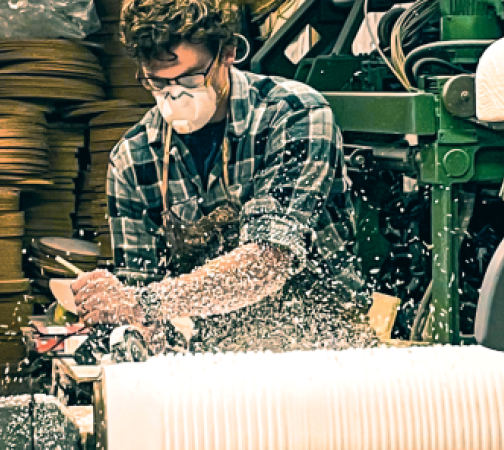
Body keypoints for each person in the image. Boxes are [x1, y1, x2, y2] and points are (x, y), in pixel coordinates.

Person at [71, 0, 377, 353]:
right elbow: (140, 292)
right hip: (217, 353)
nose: (174, 94)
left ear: (228, 53)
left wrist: (143, 302)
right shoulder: (133, 158)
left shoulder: (295, 115)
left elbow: (268, 261)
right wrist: (131, 322)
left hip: (325, 343)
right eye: (157, 82)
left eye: (190, 78)